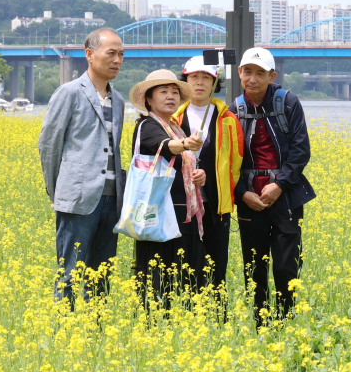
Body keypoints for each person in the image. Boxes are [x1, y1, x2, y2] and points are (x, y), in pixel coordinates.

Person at [38, 27, 126, 305]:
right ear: (89, 54)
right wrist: (59, 193)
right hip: (77, 197)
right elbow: (49, 145)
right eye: (111, 53)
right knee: (70, 272)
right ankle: (64, 324)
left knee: (102, 275)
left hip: (112, 199)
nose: (117, 60)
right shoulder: (70, 92)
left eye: (121, 54)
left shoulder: (119, 100)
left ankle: (94, 326)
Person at [232, 47, 316, 326]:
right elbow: (225, 160)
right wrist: (242, 193)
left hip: (285, 197)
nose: (252, 79)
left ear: (272, 76)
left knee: (285, 264)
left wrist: (279, 185)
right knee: (254, 266)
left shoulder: (288, 103)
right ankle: (260, 324)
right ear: (239, 73)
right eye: (247, 72)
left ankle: (286, 321)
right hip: (250, 199)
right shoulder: (234, 110)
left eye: (260, 73)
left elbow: (300, 150)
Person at [127, 70, 207, 307]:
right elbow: (162, 146)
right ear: (149, 99)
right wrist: (185, 144)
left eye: (174, 92)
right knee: (159, 276)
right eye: (163, 92)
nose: (171, 96)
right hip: (158, 213)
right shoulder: (147, 125)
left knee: (186, 278)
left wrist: (199, 175)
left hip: (183, 213)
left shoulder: (175, 128)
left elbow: (182, 164)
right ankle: (154, 321)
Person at [173, 56, 244, 299]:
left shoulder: (228, 119)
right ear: (185, 81)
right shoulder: (174, 117)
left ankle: (217, 315)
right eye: (194, 77)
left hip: (216, 207)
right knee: (184, 267)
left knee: (216, 267)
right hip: (181, 206)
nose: (200, 82)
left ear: (215, 83)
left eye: (206, 78)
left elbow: (236, 164)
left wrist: (221, 189)